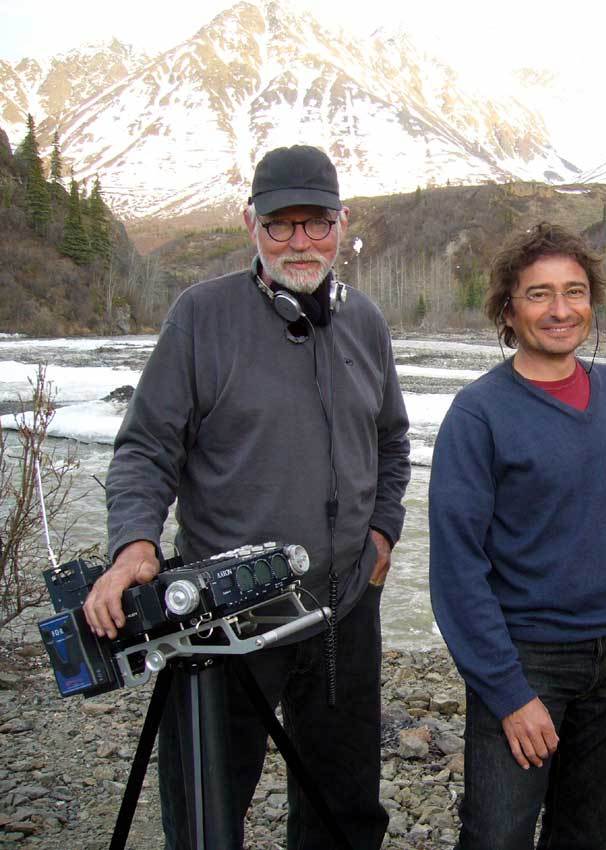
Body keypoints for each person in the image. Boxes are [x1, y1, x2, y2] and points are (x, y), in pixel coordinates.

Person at [82, 145, 411, 850]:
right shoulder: (202, 316)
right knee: (207, 809)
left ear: (341, 222)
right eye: (280, 224)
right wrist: (135, 543)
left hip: (342, 608)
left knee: (345, 809)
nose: (300, 242)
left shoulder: (366, 323)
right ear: (250, 224)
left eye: (316, 223)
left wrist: (382, 537)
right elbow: (146, 446)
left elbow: (392, 443)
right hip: (222, 614)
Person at [428, 222, 606, 850]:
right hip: (529, 659)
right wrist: (508, 693)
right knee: (496, 837)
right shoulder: (479, 414)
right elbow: (457, 571)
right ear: (508, 309)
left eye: (574, 291)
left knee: (585, 835)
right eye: (539, 294)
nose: (560, 309)